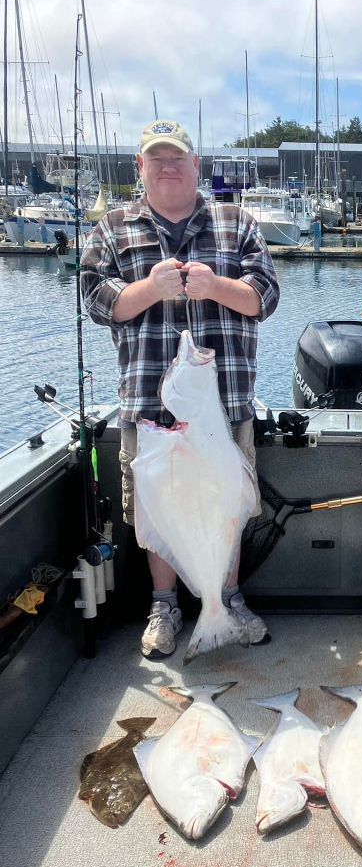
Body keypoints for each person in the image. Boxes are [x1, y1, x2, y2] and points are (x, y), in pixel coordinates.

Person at [82, 119, 280, 660]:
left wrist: (215, 286)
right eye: (156, 159)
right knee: (158, 511)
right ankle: (163, 605)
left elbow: (265, 296)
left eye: (178, 158)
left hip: (224, 404)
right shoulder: (113, 228)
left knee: (227, 504)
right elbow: (97, 302)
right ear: (139, 168)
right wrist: (149, 289)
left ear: (197, 165)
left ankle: (228, 599)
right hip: (147, 404)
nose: (168, 167)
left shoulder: (236, 222)